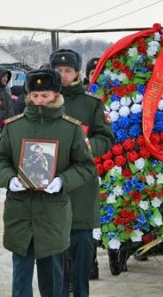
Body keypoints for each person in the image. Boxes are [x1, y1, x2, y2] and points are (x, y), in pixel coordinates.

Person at [0, 68, 96, 297]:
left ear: (57, 95)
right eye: (35, 96)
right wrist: (9, 179)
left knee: (53, 277)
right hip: (20, 212)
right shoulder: (14, 126)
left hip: (52, 213)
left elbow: (85, 166)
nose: (39, 101)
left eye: (45, 95)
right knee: (21, 275)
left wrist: (62, 181)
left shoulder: (71, 129)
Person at [50, 48, 114, 295]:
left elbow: (106, 139)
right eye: (58, 71)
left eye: (68, 71)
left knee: (81, 248)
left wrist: (85, 146)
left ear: (78, 73)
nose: (63, 75)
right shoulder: (44, 101)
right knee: (55, 251)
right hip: (51, 187)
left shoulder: (92, 104)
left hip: (82, 188)